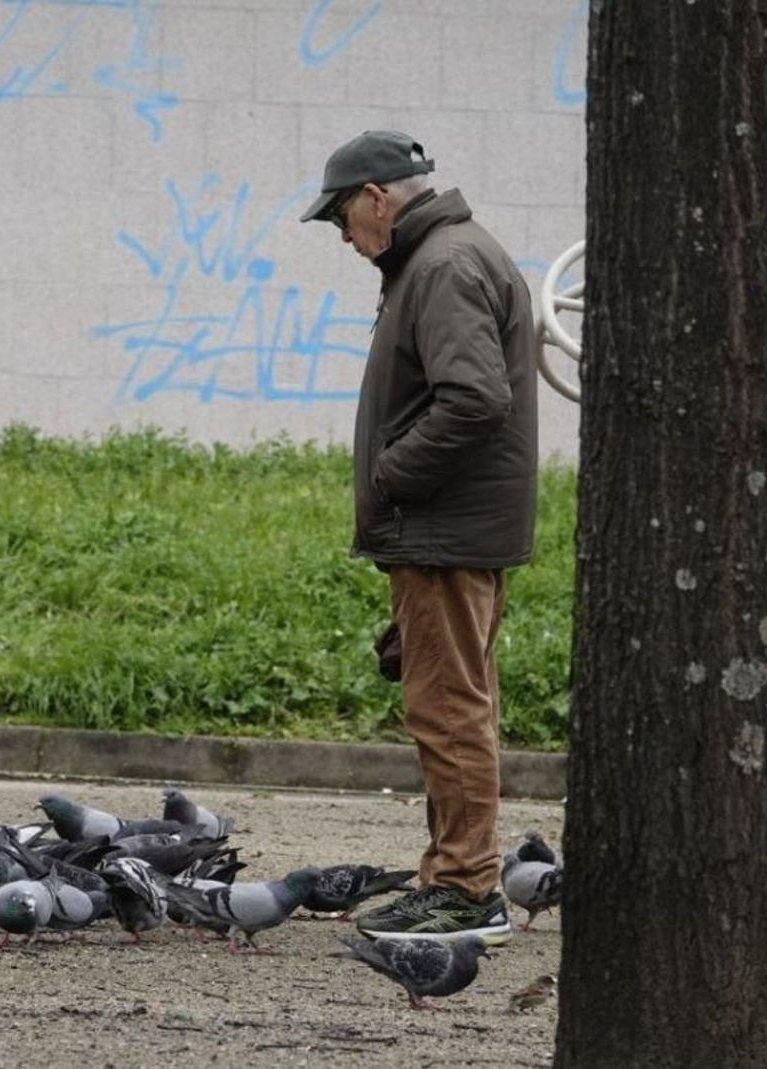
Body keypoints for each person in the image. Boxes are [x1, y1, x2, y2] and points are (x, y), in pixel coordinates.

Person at [301, 130, 537, 942]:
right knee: (454, 705)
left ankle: (465, 891)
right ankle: (453, 877)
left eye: (340, 217)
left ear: (375, 198)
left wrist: (390, 475)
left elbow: (473, 399)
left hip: (442, 531)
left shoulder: (442, 265)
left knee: (449, 712)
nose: (343, 237)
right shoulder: (444, 257)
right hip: (448, 529)